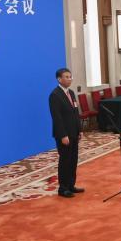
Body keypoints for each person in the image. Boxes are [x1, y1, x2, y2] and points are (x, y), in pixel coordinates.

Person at [48, 68, 84, 198]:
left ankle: (71, 185)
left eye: (70, 77)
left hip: (74, 132)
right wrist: (63, 135)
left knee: (73, 160)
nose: (70, 79)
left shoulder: (71, 93)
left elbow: (75, 113)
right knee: (65, 161)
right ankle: (63, 188)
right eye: (67, 77)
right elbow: (56, 118)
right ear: (59, 79)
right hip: (64, 135)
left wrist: (80, 130)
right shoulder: (55, 95)